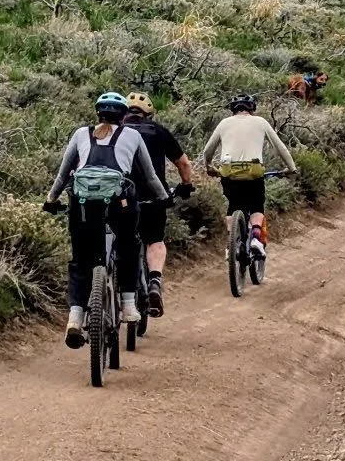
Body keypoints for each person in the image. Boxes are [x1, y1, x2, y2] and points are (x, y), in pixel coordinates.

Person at [43, 90, 169, 348]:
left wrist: (51, 200)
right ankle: (129, 305)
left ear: (98, 114)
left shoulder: (81, 133)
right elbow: (150, 176)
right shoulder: (132, 135)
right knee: (129, 245)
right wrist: (163, 198)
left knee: (80, 259)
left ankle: (75, 318)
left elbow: (63, 175)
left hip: (83, 205)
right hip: (119, 204)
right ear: (123, 116)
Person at [199, 92, 297, 262]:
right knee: (256, 204)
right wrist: (291, 168)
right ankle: (256, 238)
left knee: (233, 205)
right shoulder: (260, 122)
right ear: (252, 109)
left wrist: (209, 167)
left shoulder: (224, 123)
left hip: (228, 170)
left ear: (233, 109)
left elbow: (208, 150)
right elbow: (280, 147)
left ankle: (231, 244)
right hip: (253, 170)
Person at [122, 92, 195, 316]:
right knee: (154, 240)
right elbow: (183, 164)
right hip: (153, 196)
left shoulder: (116, 131)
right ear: (148, 114)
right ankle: (154, 281)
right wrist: (186, 185)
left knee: (120, 239)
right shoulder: (158, 130)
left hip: (121, 197)